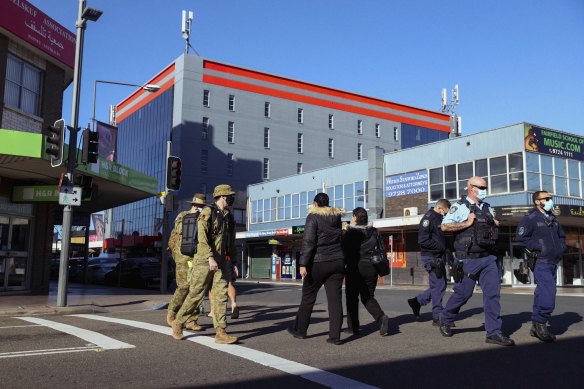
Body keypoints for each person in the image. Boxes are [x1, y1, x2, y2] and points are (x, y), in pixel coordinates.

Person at [438, 176, 515, 346]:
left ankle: (494, 332)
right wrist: (467, 222)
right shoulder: (459, 206)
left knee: (493, 295)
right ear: (471, 188)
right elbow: (445, 226)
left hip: (488, 258)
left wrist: (494, 223)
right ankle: (445, 317)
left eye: (485, 187)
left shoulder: (487, 207)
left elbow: (493, 227)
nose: (484, 190)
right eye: (481, 187)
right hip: (467, 259)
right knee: (464, 293)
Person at [172, 184, 238, 344]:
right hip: (204, 260)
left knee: (220, 296)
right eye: (229, 196)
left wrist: (233, 262)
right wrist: (209, 257)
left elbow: (231, 241)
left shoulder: (229, 216)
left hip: (222, 261)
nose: (232, 198)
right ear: (223, 196)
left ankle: (221, 332)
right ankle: (178, 322)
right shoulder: (207, 212)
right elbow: (202, 237)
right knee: (196, 294)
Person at [288, 193, 345, 345]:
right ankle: (335, 337)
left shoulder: (313, 217)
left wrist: (302, 264)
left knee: (308, 297)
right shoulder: (336, 217)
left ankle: (300, 330)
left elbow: (308, 241)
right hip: (337, 260)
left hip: (318, 262)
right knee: (335, 300)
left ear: (315, 204)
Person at [515, 191, 566, 342]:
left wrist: (562, 247)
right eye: (547, 199)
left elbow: (561, 236)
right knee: (549, 292)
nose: (551, 201)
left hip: (553, 261)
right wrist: (539, 247)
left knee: (541, 293)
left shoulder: (553, 219)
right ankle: (541, 323)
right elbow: (521, 238)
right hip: (541, 261)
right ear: (538, 202)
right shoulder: (530, 218)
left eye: (551, 198)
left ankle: (536, 325)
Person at [343, 207, 390, 336]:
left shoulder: (351, 232)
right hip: (371, 267)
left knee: (352, 298)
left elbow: (344, 249)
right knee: (368, 296)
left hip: (355, 268)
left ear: (354, 217)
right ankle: (381, 318)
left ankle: (353, 327)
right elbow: (380, 249)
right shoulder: (375, 231)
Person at [166, 193, 207, 330]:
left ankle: (191, 320)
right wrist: (193, 218)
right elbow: (179, 230)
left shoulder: (204, 218)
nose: (198, 208)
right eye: (197, 205)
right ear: (193, 204)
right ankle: (172, 311)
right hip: (183, 256)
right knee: (184, 286)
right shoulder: (183, 215)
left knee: (195, 288)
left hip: (197, 256)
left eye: (201, 206)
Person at [408, 199, 451, 325]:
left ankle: (417, 302)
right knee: (438, 286)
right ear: (440, 208)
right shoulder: (429, 219)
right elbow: (423, 240)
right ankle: (437, 316)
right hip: (431, 257)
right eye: (446, 211)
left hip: (438, 257)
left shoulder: (439, 218)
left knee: (440, 285)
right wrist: (441, 247)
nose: (446, 214)